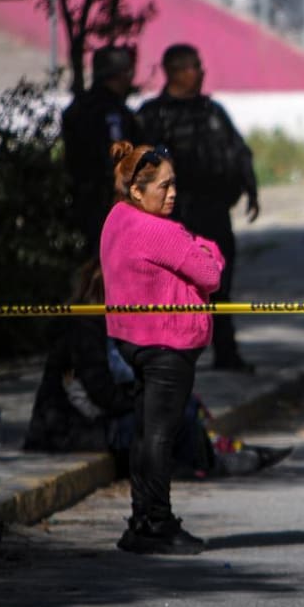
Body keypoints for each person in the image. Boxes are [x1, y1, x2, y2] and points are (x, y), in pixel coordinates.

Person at [23, 260, 293, 479]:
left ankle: (216, 456)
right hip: (72, 428)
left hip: (103, 416)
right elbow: (100, 392)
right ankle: (213, 464)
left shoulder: (113, 324)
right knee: (165, 419)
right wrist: (146, 400)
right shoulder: (84, 328)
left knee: (181, 405)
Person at [101, 140, 224, 555]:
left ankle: (142, 518)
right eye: (163, 187)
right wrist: (208, 249)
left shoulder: (117, 219)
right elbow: (209, 273)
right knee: (159, 436)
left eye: (174, 185)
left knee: (147, 431)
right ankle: (155, 522)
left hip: (133, 340)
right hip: (166, 344)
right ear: (137, 190)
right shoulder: (159, 231)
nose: (172, 194)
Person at [133, 44, 259, 373]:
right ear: (175, 72)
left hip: (213, 210)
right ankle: (167, 357)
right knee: (169, 289)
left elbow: (239, 152)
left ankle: (226, 353)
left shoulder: (212, 112)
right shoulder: (152, 115)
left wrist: (251, 189)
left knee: (220, 283)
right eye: (193, 67)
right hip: (173, 216)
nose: (200, 72)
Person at [61, 45, 137, 252]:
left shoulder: (78, 108)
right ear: (122, 74)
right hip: (106, 204)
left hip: (82, 202)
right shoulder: (112, 113)